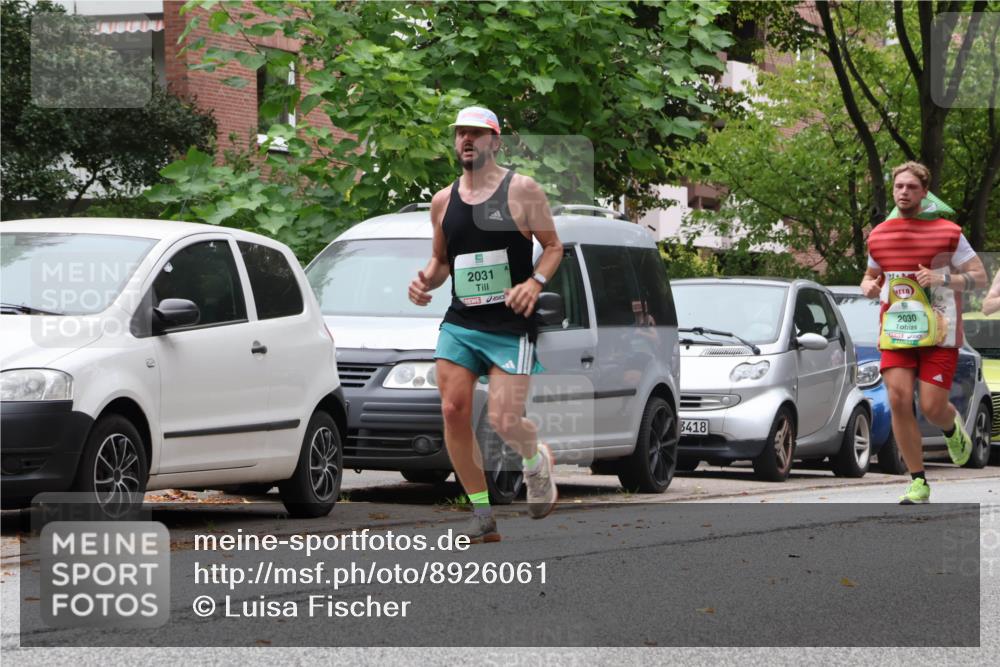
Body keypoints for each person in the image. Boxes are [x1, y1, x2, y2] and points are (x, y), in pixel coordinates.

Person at [408, 107, 563, 542]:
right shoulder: (443, 201)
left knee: (504, 420)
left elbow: (554, 247)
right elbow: (441, 261)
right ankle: (482, 514)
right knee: (452, 411)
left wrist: (534, 282)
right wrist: (425, 282)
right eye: (461, 134)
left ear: (496, 142)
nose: (467, 141)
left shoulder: (523, 190)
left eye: (477, 134)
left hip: (511, 325)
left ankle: (536, 462)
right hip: (461, 321)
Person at [860, 162, 988, 504]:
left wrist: (943, 279)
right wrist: (869, 287)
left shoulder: (948, 232)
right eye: (899, 186)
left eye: (911, 187)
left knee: (932, 406)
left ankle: (950, 427)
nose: (904, 192)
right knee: (899, 398)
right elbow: (871, 276)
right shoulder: (879, 234)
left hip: (939, 331)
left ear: (924, 191)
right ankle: (918, 481)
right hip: (897, 331)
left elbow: (979, 277)